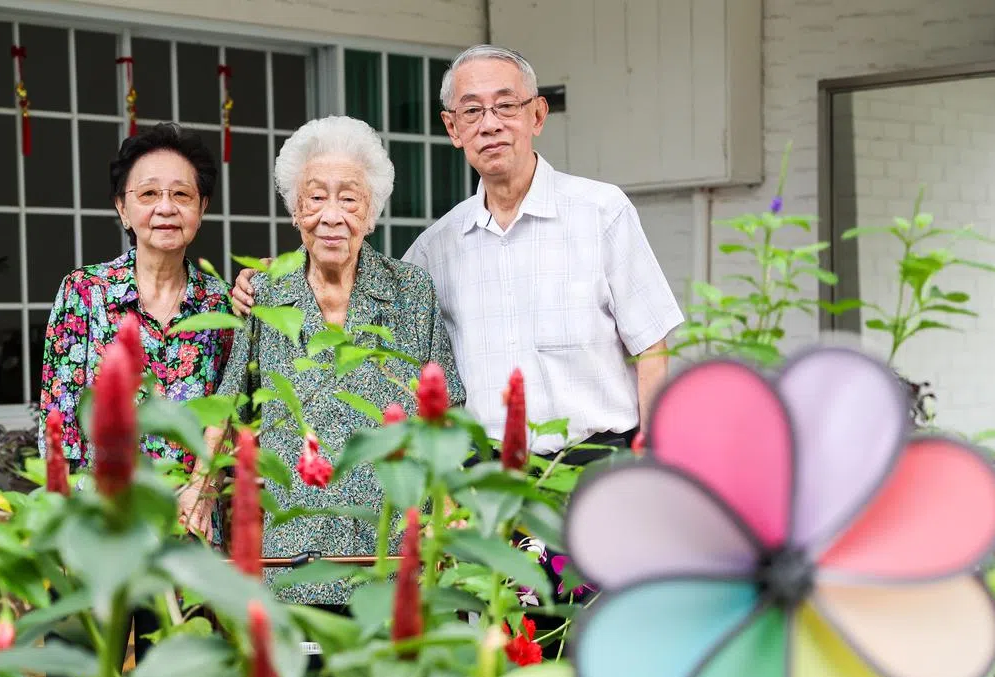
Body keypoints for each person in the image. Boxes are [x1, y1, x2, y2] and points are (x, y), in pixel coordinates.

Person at [232, 45, 682, 466]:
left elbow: (651, 348)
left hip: (596, 464)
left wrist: (654, 463)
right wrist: (282, 274)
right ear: (453, 128)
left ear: (537, 114)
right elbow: (365, 285)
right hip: (484, 477)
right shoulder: (436, 247)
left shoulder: (601, 212)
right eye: (472, 111)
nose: (490, 124)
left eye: (506, 105)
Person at [216, 115, 465, 608]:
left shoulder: (411, 290)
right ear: (295, 210)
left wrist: (449, 507)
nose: (332, 216)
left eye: (349, 199)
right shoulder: (266, 293)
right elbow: (227, 411)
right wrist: (201, 495)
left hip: (395, 556)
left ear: (371, 213)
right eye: (316, 198)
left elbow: (444, 414)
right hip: (295, 560)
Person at [37, 122, 233, 677]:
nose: (165, 207)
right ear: (122, 208)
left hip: (184, 531)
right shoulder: (85, 293)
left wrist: (204, 490)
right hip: (98, 530)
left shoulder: (222, 305)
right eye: (148, 194)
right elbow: (57, 416)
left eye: (181, 194)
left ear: (202, 207)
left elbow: (228, 413)